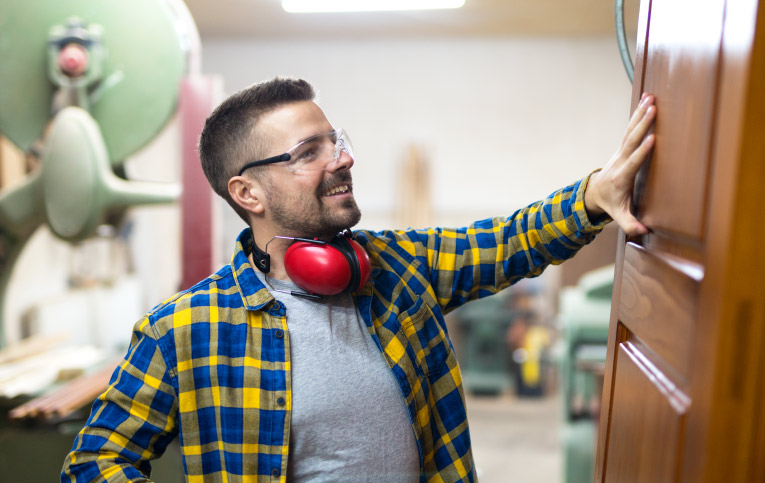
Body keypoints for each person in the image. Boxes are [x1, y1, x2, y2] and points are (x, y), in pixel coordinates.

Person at [61, 77, 656, 482]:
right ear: (247, 192)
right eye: (308, 151)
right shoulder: (183, 330)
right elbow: (96, 461)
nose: (342, 158)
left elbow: (507, 241)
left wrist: (592, 197)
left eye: (336, 141)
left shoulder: (397, 270)